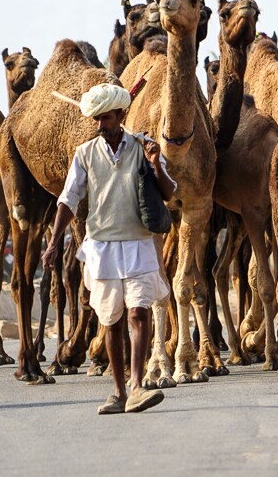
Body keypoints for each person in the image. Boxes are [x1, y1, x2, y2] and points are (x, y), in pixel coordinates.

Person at [42, 83, 176, 414]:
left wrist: (156, 163)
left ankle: (137, 386)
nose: (101, 125)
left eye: (106, 118)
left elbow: (169, 193)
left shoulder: (143, 146)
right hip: (101, 248)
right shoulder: (84, 153)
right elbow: (68, 199)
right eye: (97, 119)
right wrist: (54, 242)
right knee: (112, 321)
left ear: (121, 115)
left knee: (138, 312)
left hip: (138, 243)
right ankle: (117, 392)